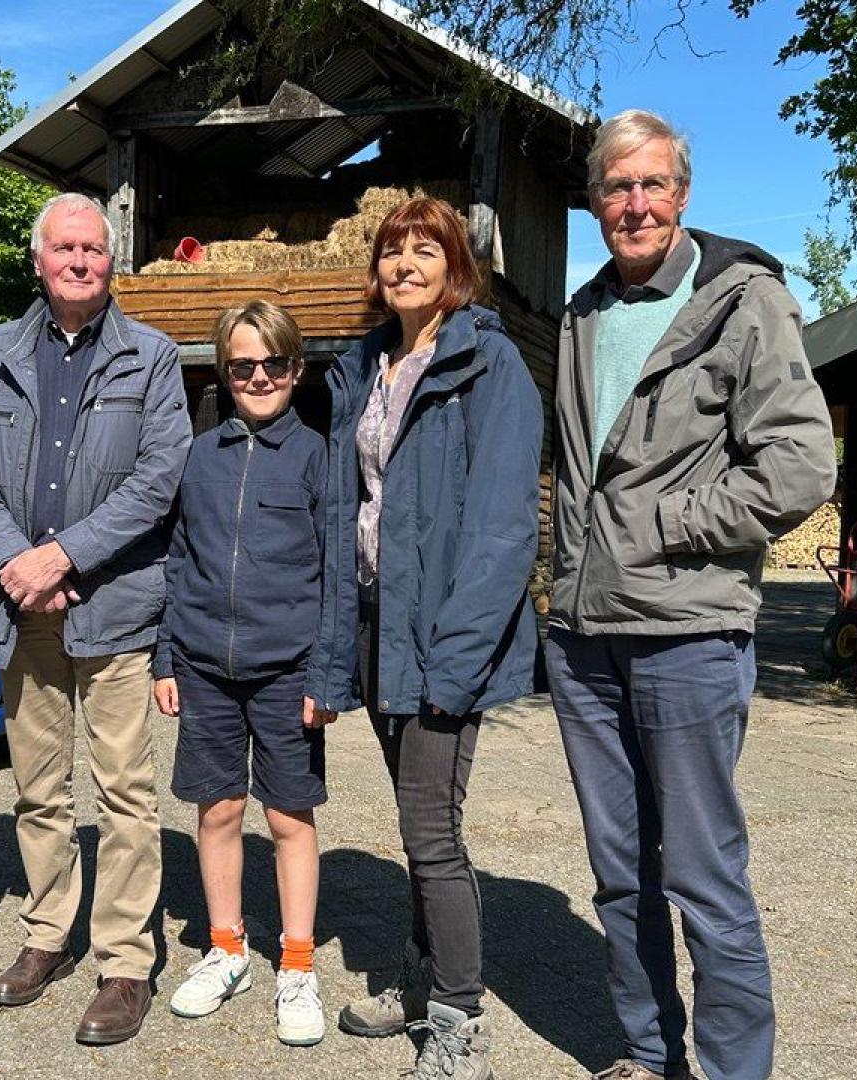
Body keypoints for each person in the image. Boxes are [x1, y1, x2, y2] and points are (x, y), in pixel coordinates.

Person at [546, 109, 836, 1080]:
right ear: (594, 202)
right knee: (619, 873)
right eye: (616, 187)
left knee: (702, 873)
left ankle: (731, 1071)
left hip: (687, 632)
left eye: (652, 184)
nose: (634, 204)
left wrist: (673, 524)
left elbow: (801, 466)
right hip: (583, 638)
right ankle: (645, 1052)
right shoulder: (581, 315)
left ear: (683, 194)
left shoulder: (743, 301)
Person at [310, 197, 542, 1080]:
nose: (406, 264)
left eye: (425, 250)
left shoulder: (491, 366)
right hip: (379, 626)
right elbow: (352, 505)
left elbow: (501, 530)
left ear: (456, 267)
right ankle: (419, 981)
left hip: (444, 637)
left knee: (431, 830)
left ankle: (458, 1024)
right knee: (417, 830)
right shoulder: (365, 367)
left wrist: (458, 657)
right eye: (392, 251)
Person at [0, 192, 190, 1045]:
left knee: (124, 790)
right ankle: (48, 934)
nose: (80, 261)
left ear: (111, 261)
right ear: (39, 259)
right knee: (36, 787)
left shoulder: (153, 357)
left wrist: (66, 555)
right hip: (24, 608)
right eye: (65, 248)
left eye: (93, 248)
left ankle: (124, 960)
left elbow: (161, 477)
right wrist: (20, 561)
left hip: (115, 601)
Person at [151, 301, 331, 1046]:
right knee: (218, 810)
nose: (258, 377)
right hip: (203, 665)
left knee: (288, 816)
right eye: (242, 366)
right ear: (223, 374)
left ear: (296, 368)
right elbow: (179, 559)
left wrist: (328, 670)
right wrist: (166, 655)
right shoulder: (199, 456)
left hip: (287, 669)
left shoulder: (320, 455)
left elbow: (337, 575)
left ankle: (296, 963)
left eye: (273, 364)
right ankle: (226, 950)